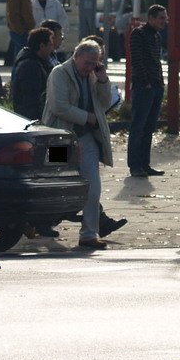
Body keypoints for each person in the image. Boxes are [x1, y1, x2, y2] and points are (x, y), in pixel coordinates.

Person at [42, 40, 121, 250]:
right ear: (76, 56)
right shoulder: (59, 73)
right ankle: (36, 223)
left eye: (95, 63)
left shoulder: (94, 74)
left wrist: (103, 79)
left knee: (93, 187)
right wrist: (88, 118)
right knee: (53, 184)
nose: (90, 68)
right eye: (87, 63)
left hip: (86, 138)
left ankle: (89, 234)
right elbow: (59, 106)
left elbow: (105, 103)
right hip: (59, 137)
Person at [11, 27, 59, 239]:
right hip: (40, 131)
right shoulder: (31, 66)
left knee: (55, 172)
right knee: (49, 173)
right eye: (50, 43)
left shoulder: (38, 63)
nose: (54, 46)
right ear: (41, 46)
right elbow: (32, 101)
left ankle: (43, 221)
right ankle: (40, 223)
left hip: (44, 129)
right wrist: (41, 125)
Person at [127, 4, 169, 177]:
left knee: (149, 127)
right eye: (161, 18)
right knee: (138, 127)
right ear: (151, 18)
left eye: (165, 18)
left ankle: (145, 164)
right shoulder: (138, 34)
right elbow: (136, 60)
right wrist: (146, 82)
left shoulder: (156, 36)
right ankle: (135, 166)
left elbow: (156, 61)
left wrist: (160, 83)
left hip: (156, 86)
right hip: (144, 86)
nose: (164, 22)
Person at [5, 0, 36, 64]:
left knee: (19, 57)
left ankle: (16, 78)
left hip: (26, 30)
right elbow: (12, 14)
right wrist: (20, 31)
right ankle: (17, 78)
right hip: (19, 31)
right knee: (22, 57)